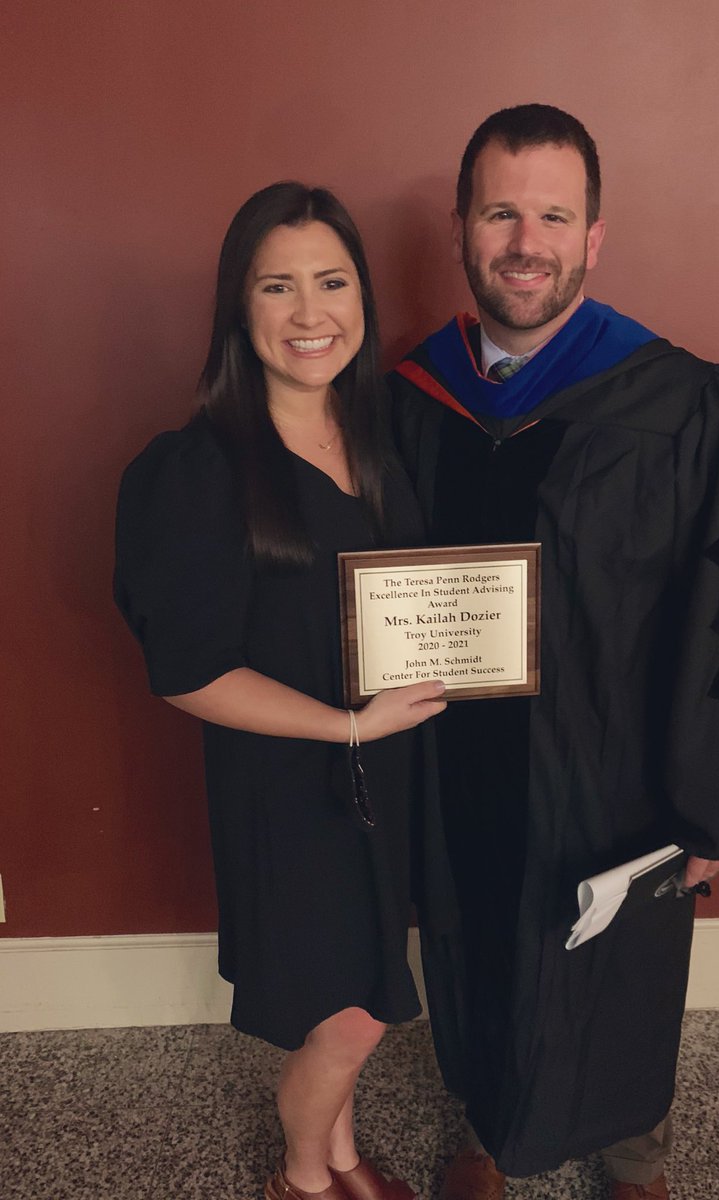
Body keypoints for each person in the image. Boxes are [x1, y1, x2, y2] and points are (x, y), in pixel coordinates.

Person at [389, 105, 719, 1200]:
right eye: (500, 213)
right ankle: (486, 1128)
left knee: (620, 956)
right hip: (460, 758)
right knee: (475, 936)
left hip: (621, 766)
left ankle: (635, 1155)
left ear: (593, 236)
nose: (524, 242)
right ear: (461, 228)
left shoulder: (679, 401)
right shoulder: (411, 397)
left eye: (552, 216)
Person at [115, 182, 448, 1200]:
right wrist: (348, 724)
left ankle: (343, 1155)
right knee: (352, 1014)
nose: (311, 313)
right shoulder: (201, 469)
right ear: (239, 306)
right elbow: (188, 673)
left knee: (356, 980)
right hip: (288, 785)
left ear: (362, 297)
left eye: (332, 282)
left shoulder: (385, 436)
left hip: (384, 770)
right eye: (278, 286)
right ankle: (302, 1178)